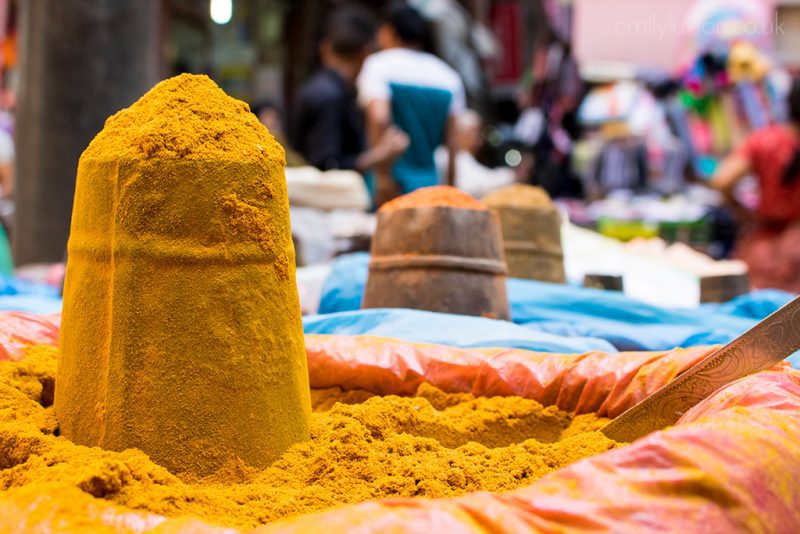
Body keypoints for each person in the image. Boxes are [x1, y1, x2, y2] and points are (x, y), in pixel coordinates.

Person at [357, 3, 466, 205]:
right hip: (428, 185)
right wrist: (451, 193)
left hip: (392, 186)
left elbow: (379, 118)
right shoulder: (447, 76)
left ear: (390, 31)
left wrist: (381, 178)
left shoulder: (378, 66)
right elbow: (453, 143)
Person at [290, 5, 408, 175]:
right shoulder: (332, 97)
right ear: (365, 53)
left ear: (325, 48)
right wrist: (381, 154)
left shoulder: (315, 87)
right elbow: (327, 166)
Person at [711, 77, 800, 293]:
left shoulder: (765, 140)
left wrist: (742, 212)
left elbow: (721, 180)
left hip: (765, 248)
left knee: (760, 318)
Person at [434, 110, 514, 198]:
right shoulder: (445, 155)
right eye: (475, 132)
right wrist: (511, 175)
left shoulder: (464, 156)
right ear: (460, 133)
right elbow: (471, 186)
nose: (479, 140)